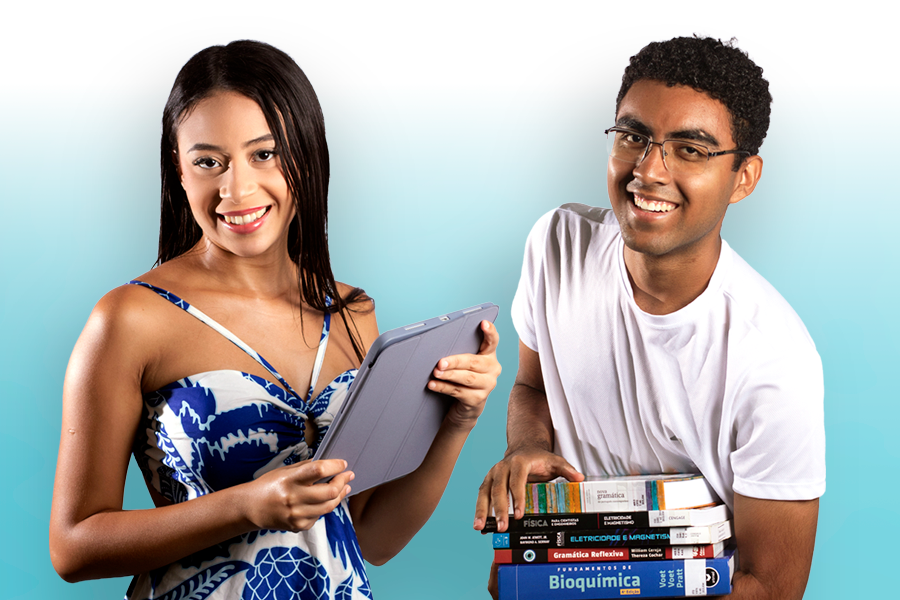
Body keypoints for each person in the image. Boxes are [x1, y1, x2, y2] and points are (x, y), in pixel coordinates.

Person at [49, 40, 501, 599]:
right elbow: (74, 547)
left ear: (306, 156)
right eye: (208, 162)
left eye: (264, 154)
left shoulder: (352, 313)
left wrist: (456, 422)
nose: (236, 189)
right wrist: (245, 506)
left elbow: (371, 538)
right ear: (179, 170)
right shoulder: (130, 318)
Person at [474, 36, 824, 599]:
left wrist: (604, 587)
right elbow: (533, 386)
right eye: (633, 137)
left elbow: (772, 586)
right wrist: (526, 448)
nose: (648, 170)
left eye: (690, 149)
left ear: (744, 177)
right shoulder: (558, 244)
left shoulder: (773, 360)